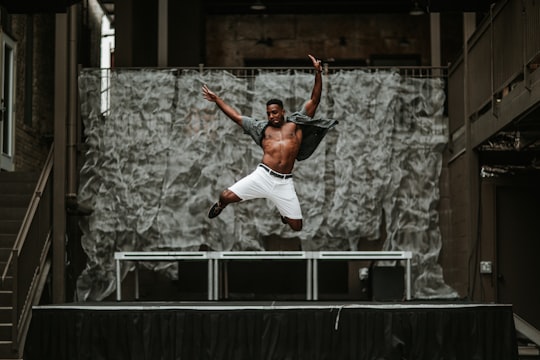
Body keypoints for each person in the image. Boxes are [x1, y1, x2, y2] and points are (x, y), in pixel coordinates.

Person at [202, 54, 337, 231]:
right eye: (268, 113)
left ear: (282, 111)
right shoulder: (261, 128)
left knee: (296, 226)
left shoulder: (296, 124)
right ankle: (221, 205)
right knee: (225, 196)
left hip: (284, 182)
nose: (271, 116)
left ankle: (284, 211)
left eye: (274, 112)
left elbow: (314, 100)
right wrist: (217, 100)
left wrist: (318, 73)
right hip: (262, 176)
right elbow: (236, 116)